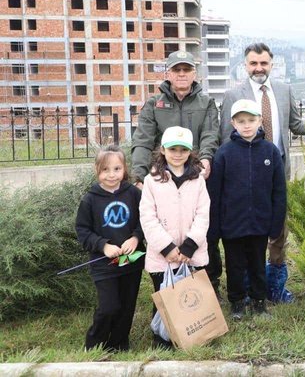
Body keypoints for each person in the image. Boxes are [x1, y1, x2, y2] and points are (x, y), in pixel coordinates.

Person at [214, 42, 305, 304]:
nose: (258, 68)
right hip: (242, 177)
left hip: (275, 173)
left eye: (263, 63)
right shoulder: (234, 95)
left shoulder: (283, 89)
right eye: (253, 63)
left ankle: (275, 285)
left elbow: (297, 125)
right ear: (245, 66)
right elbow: (225, 137)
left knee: (278, 230)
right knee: (244, 232)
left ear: (271, 64)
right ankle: (244, 288)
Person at [208, 99, 287, 320]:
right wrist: (215, 227)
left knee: (257, 264)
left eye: (251, 120)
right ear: (233, 123)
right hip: (232, 224)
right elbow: (215, 193)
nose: (247, 125)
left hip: (260, 223)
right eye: (241, 121)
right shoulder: (224, 153)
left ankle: (259, 302)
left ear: (260, 121)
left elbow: (279, 191)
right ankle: (237, 302)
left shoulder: (270, 152)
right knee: (235, 265)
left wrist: (275, 224)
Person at [139, 126, 210, 347]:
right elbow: (148, 217)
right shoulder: (152, 180)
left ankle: (193, 335)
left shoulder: (197, 180)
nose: (177, 154)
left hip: (192, 253)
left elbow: (203, 213)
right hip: (162, 256)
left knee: (190, 296)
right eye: (172, 149)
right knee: (164, 296)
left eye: (183, 149)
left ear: (190, 152)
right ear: (162, 150)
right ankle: (162, 339)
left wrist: (189, 246)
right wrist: (166, 248)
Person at [75, 145, 144, 352]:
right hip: (104, 265)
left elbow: (147, 219)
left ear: (124, 169)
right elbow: (82, 230)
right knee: (109, 306)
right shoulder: (90, 199)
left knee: (126, 306)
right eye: (105, 170)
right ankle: (95, 343)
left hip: (131, 261)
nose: (111, 175)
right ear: (97, 170)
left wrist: (136, 238)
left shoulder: (133, 194)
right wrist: (103, 245)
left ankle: (120, 343)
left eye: (117, 169)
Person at [130, 50, 219, 186]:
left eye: (187, 69)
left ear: (194, 74)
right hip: (161, 175)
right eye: (176, 69)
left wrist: (206, 159)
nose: (182, 73)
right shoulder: (153, 104)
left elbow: (210, 136)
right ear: (168, 74)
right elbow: (143, 141)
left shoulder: (207, 103)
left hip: (196, 173)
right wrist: (138, 178)